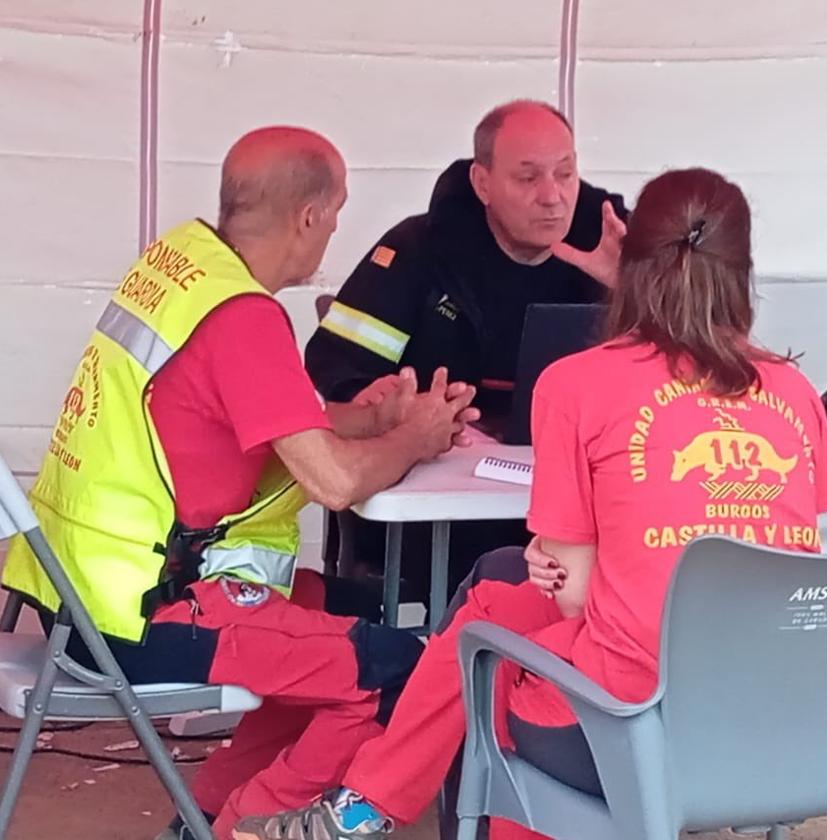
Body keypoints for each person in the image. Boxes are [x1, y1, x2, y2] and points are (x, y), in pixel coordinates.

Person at [233, 167, 827, 840]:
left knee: (487, 654)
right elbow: (774, 544)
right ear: (744, 270)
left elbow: (578, 596)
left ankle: (366, 807)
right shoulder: (794, 393)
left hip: (628, 722)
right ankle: (363, 807)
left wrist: (573, 554)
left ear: (633, 261)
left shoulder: (578, 384)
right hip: (770, 725)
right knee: (496, 598)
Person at [1, 126, 482, 840]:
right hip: (143, 614)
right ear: (310, 217)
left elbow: (275, 420)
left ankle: (207, 821)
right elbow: (334, 482)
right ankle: (247, 830)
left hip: (76, 595)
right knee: (390, 664)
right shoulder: (243, 318)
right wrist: (414, 436)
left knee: (327, 615)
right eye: (338, 213)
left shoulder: (183, 266)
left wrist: (375, 416)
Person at [304, 99, 628, 594]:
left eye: (566, 174)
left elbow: (682, 380)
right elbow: (334, 364)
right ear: (482, 184)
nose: (553, 197)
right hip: (442, 516)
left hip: (576, 511)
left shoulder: (614, 246)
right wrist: (391, 403)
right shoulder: (420, 250)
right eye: (528, 178)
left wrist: (632, 290)